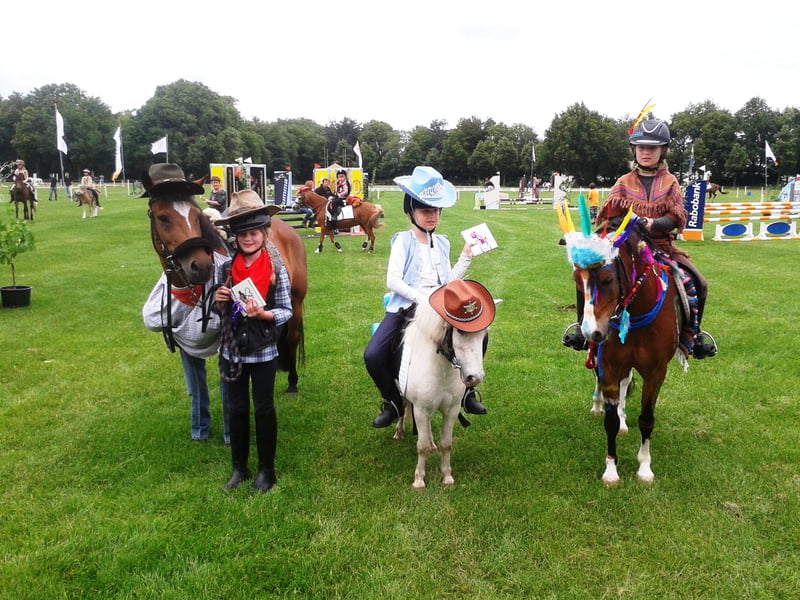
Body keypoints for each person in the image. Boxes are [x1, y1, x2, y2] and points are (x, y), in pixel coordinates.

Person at [562, 119, 717, 359]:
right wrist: (588, 240)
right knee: (587, 274)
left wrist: (654, 223)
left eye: (652, 148)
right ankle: (582, 328)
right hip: (628, 249)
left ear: (662, 150)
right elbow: (611, 219)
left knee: (700, 283)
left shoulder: (671, 182)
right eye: (641, 147)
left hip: (662, 248)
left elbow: (676, 217)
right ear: (634, 149)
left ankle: (694, 336)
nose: (646, 152)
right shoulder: (623, 182)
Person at [365, 166, 488, 428]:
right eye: (426, 210)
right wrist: (423, 300)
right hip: (406, 308)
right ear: (411, 211)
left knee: (480, 331)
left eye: (436, 211)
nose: (432, 216)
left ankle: (467, 393)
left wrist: (466, 256)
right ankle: (393, 401)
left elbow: (448, 281)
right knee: (373, 355)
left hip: (442, 307)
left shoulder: (442, 242)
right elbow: (393, 280)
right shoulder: (403, 241)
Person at [141, 163, 230, 444]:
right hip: (178, 269)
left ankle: (230, 428)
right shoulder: (165, 211)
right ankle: (199, 426)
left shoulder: (192, 209)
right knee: (190, 361)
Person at [213, 190, 293, 492]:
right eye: (243, 234)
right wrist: (218, 298)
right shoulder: (224, 269)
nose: (248, 238)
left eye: (254, 233)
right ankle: (239, 468)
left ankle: (266, 470)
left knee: (263, 408)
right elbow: (218, 312)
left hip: (263, 349)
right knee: (236, 409)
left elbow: (286, 311)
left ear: (263, 234)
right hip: (232, 349)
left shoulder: (276, 271)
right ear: (235, 237)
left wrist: (265, 315)